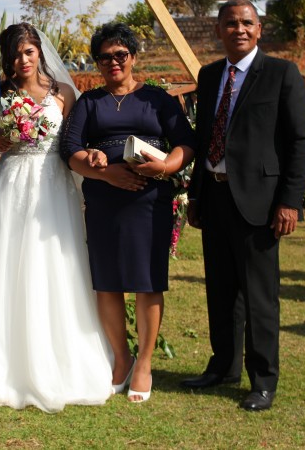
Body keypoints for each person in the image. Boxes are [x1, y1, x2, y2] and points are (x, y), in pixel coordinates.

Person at [0, 23, 113, 412]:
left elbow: (75, 140)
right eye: (16, 54)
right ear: (8, 58)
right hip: (12, 182)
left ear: (39, 53)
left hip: (52, 183)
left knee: (56, 263)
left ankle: (64, 359)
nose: (23, 60)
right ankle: (8, 365)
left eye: (29, 52)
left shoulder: (63, 93)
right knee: (10, 263)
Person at [184, 0, 305, 412]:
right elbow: (205, 137)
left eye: (246, 23)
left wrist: (289, 202)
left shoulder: (281, 74)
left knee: (259, 296)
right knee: (220, 291)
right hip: (215, 195)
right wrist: (197, 195)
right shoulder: (209, 75)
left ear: (259, 29)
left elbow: (298, 143)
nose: (239, 29)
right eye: (230, 23)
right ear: (218, 30)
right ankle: (222, 366)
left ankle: (263, 380)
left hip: (260, 202)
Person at [60, 21, 195, 404]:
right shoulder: (90, 102)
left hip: (149, 199)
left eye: (121, 55)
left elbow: (186, 142)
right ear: (97, 63)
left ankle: (145, 362)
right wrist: (97, 163)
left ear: (133, 57)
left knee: (147, 280)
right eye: (104, 57)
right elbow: (69, 149)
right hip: (104, 198)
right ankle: (122, 358)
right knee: (108, 281)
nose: (113, 62)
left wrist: (167, 166)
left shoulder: (158, 99)